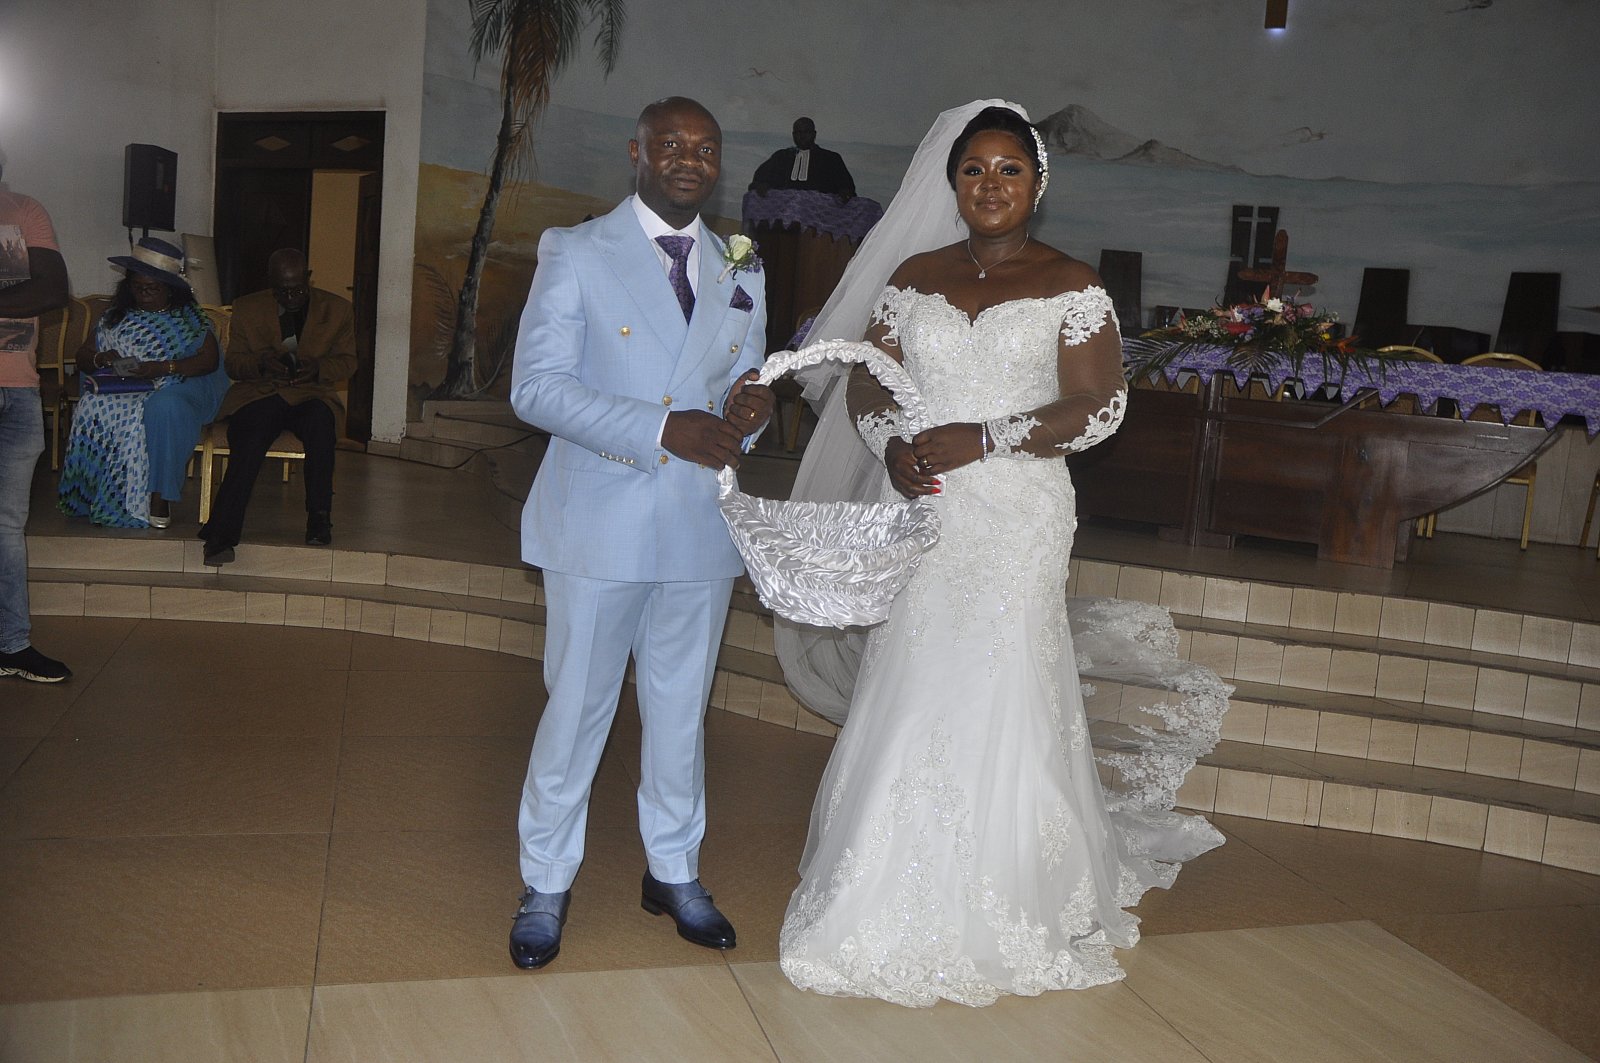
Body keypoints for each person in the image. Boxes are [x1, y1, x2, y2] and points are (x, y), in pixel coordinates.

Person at [772, 102, 1227, 1006]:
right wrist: (890, 443)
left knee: (1002, 677)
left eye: (1009, 169)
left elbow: (1099, 405)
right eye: (973, 169)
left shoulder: (1071, 283)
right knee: (915, 673)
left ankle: (1010, 882)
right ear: (951, 183)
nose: (990, 184)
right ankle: (883, 877)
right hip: (926, 507)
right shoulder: (914, 276)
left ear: (1038, 184)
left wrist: (986, 436)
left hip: (1017, 513)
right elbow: (868, 381)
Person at [506, 96, 775, 971]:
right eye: (671, 144)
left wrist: (752, 414)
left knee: (680, 711)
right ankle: (546, 880)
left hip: (697, 521)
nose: (689, 159)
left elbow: (742, 383)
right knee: (577, 708)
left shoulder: (741, 264)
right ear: (637, 153)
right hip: (600, 520)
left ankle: (674, 869)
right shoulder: (577, 250)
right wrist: (662, 428)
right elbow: (535, 389)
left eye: (706, 147)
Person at [59, 238, 229, 529]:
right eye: (137, 287)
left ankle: (160, 496)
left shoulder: (190, 320)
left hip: (178, 383)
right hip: (124, 385)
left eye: (152, 288)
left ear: (171, 289)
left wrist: (161, 368)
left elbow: (208, 361)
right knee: (92, 406)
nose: (144, 294)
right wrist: (102, 358)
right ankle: (96, 494)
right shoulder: (114, 317)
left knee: (161, 407)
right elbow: (83, 356)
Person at [200, 248, 356, 566]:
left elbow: (348, 362)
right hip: (261, 393)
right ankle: (221, 537)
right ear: (271, 284)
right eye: (282, 291)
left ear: (308, 278)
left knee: (321, 428)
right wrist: (261, 363)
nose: (291, 297)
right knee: (250, 439)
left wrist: (318, 368)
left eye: (297, 289)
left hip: (312, 392)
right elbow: (234, 364)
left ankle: (319, 518)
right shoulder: (248, 307)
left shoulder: (337, 309)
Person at [0, 158, 72, 683]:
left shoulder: (24, 211)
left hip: (18, 392)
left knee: (7, 527)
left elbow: (51, 290)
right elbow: (31, 289)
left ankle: (11, 644)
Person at [750, 117, 856, 199]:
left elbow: (846, 186)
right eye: (798, 133)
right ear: (793, 135)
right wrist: (762, 185)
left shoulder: (830, 158)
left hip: (818, 209)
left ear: (814, 134)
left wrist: (844, 191)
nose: (802, 136)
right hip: (784, 209)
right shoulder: (781, 157)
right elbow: (760, 179)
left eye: (806, 132)